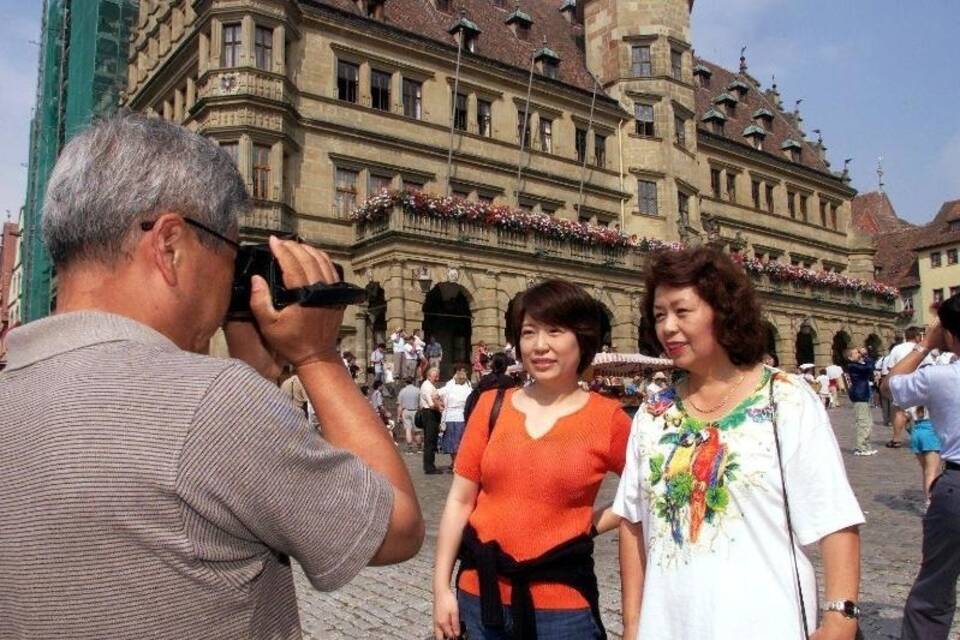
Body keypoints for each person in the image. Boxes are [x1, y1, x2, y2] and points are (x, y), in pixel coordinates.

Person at [0, 114, 424, 639]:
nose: (232, 281)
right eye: (229, 252)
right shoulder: (212, 404)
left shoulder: (11, 387)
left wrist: (255, 377)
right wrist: (318, 358)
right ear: (171, 245)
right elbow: (397, 528)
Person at [615, 247, 863, 640]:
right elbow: (632, 522)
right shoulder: (653, 412)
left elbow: (833, 515)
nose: (667, 327)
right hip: (669, 626)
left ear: (723, 310)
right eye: (659, 314)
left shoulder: (785, 398)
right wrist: (632, 625)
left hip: (766, 622)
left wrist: (840, 618)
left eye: (682, 311)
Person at [433, 279, 632, 640]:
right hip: (480, 596)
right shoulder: (493, 406)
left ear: (582, 338)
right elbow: (459, 500)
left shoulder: (609, 418)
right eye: (529, 332)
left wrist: (588, 525)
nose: (540, 346)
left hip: (562, 605)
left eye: (555, 331)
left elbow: (642, 491)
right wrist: (441, 588)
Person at [882, 294, 960, 640]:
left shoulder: (940, 377)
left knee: (935, 586)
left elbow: (889, 386)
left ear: (951, 335)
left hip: (956, 488)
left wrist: (924, 346)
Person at [883, 327, 924, 448]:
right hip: (918, 382)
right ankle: (921, 438)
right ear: (917, 337)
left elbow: (890, 367)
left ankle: (896, 439)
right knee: (920, 412)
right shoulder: (921, 348)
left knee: (898, 411)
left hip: (901, 383)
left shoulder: (897, 348)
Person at [463, 351, 515, 422]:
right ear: (505, 365)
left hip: (485, 418)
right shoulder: (509, 382)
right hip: (503, 419)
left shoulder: (484, 381)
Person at [845, 346, 878, 456]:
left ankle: (866, 446)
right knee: (863, 422)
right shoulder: (852, 366)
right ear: (850, 357)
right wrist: (865, 355)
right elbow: (869, 368)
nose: (858, 354)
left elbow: (871, 366)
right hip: (860, 396)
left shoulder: (858, 365)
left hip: (863, 395)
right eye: (856, 353)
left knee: (868, 422)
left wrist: (865, 356)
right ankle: (861, 448)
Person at [439, 365, 473, 466]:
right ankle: (455, 462)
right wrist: (440, 405)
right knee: (457, 441)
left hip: (457, 416)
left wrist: (440, 404)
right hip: (456, 416)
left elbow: (435, 394)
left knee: (455, 441)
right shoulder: (452, 386)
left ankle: (456, 462)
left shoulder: (466, 386)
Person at [908, 405, 941, 507]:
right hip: (931, 432)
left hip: (916, 431)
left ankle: (928, 499)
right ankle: (929, 503)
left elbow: (906, 420)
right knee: (931, 472)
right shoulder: (934, 400)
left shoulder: (914, 400)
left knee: (926, 471)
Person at [421, 367, 446, 474]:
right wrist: (441, 408)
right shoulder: (427, 386)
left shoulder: (430, 385)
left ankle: (430, 465)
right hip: (429, 414)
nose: (437, 378)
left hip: (431, 414)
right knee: (430, 441)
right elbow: (431, 404)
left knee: (431, 441)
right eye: (435, 376)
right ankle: (429, 467)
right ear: (429, 376)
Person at [397, 377, 423, 453]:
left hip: (406, 411)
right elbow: (421, 403)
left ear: (405, 383)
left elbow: (400, 405)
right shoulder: (418, 390)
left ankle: (410, 448)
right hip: (415, 411)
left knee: (408, 430)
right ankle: (419, 448)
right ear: (413, 382)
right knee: (417, 431)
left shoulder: (402, 391)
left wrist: (398, 416)